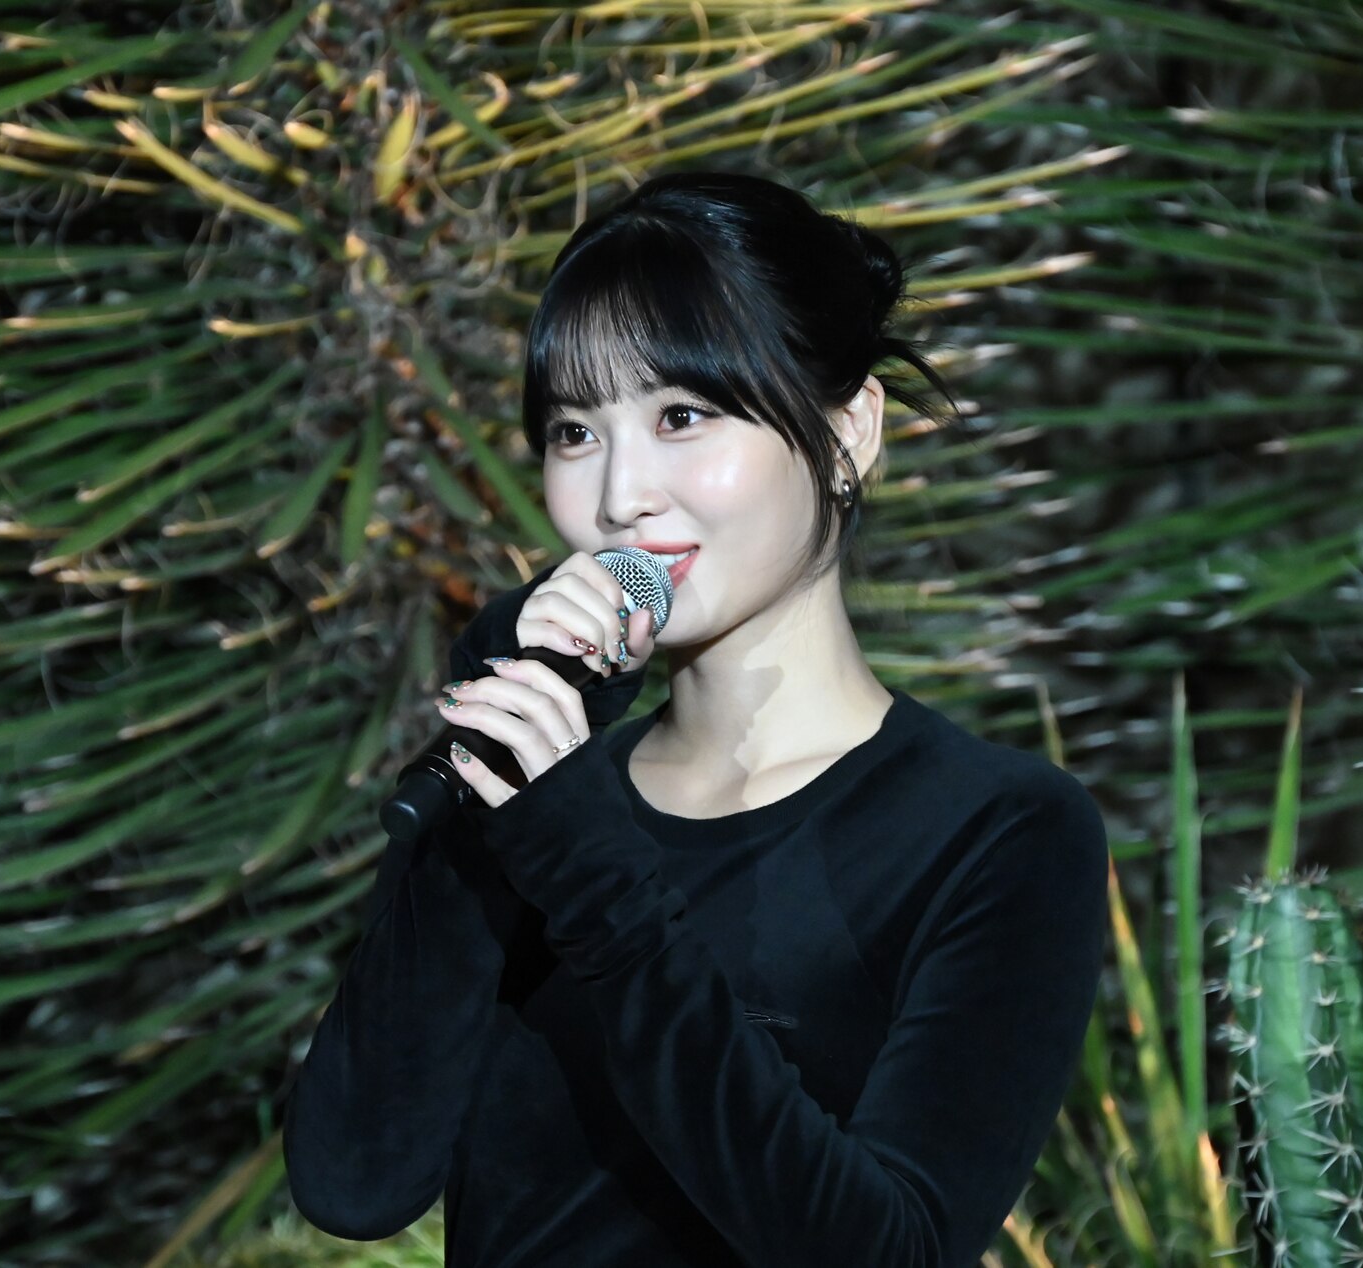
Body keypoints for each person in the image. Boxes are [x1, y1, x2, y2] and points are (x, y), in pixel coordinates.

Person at [283, 170, 1109, 1266]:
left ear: (849, 430)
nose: (620, 494)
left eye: (681, 415)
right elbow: (355, 1179)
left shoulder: (996, 829)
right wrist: (503, 750)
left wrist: (591, 876)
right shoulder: (536, 794)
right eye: (574, 430)